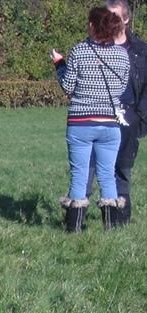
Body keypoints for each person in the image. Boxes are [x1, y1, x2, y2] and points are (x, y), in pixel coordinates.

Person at [53, 6, 131, 231]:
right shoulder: (122, 55)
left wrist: (59, 64)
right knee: (107, 175)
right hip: (110, 123)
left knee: (80, 175)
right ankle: (111, 227)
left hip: (81, 123)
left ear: (93, 25)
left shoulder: (79, 51)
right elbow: (122, 88)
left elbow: (68, 86)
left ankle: (74, 228)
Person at [105, 0, 147, 224]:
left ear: (126, 18)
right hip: (100, 116)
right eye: (107, 15)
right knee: (94, 169)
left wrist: (139, 117)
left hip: (129, 117)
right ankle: (78, 222)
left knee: (122, 168)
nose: (110, 21)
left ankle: (121, 219)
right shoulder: (97, 46)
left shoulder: (141, 51)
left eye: (115, 16)